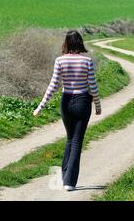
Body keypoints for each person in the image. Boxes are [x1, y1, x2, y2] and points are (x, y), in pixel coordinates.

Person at [33, 30, 102, 191]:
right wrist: (97, 105)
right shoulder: (87, 62)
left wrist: (40, 106)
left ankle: (65, 176)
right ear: (80, 43)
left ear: (66, 43)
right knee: (76, 141)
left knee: (70, 139)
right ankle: (69, 181)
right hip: (83, 102)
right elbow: (93, 86)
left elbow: (53, 85)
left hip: (66, 102)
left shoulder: (60, 61)